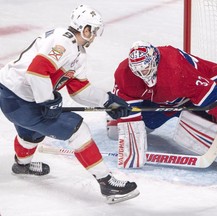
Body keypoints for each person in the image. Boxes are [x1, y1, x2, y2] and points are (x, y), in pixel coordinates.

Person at [0, 5, 139, 204]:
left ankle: (22, 165)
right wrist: (48, 101)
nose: (95, 35)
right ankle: (107, 184)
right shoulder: (63, 41)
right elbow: (36, 72)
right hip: (18, 99)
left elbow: (79, 90)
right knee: (78, 129)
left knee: (31, 133)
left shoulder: (77, 51)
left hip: (17, 97)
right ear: (85, 29)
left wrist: (108, 101)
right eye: (94, 30)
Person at [106, 40, 217, 178]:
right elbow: (126, 111)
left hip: (195, 92)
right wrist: (119, 112)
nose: (143, 73)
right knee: (115, 131)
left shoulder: (175, 71)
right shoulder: (124, 74)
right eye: (137, 70)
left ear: (155, 59)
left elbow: (212, 96)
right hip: (163, 101)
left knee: (199, 132)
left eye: (146, 68)